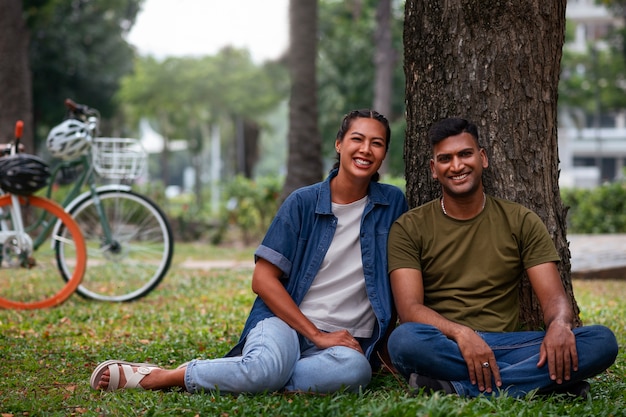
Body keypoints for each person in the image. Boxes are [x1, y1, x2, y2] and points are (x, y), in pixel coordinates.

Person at [90, 109, 408, 394]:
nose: (366, 149)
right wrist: (316, 334)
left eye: (377, 143)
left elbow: (397, 277)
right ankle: (167, 376)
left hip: (344, 343)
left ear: (384, 155)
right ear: (339, 144)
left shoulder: (392, 203)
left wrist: (379, 347)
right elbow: (263, 279)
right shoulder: (303, 203)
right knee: (268, 368)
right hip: (285, 325)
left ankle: (258, 377)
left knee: (356, 371)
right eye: (357, 139)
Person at [386, 117, 618, 398]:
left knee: (601, 341)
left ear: (482, 158)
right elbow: (410, 309)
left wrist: (559, 324)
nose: (457, 165)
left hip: (511, 344)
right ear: (434, 170)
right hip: (446, 343)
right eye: (446, 159)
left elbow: (554, 298)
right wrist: (462, 334)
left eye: (465, 154)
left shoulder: (520, 220)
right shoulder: (409, 227)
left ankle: (457, 387)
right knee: (404, 341)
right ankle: (541, 384)